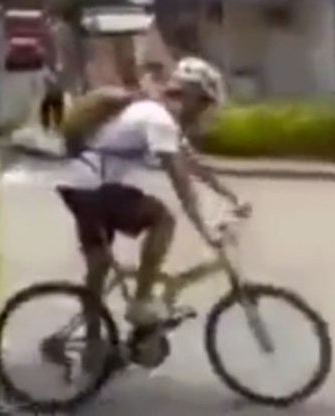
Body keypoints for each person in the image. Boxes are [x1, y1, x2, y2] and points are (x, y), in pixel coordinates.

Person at [56, 56, 249, 329]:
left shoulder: (158, 115)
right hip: (90, 188)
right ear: (191, 96)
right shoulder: (158, 120)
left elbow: (193, 165)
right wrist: (204, 227)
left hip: (82, 186)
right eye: (204, 102)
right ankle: (141, 303)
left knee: (98, 265)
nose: (205, 111)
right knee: (163, 219)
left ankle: (93, 343)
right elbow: (180, 181)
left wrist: (231, 197)